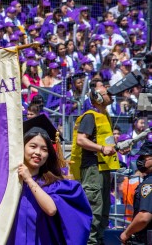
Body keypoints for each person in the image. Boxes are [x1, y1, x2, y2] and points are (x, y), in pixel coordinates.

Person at [7, 114, 92, 244]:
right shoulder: (8, 184)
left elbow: (51, 209)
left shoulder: (55, 185)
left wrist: (29, 180)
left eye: (44, 149)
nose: (38, 153)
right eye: (33, 146)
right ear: (22, 148)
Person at [70, 79, 121, 245]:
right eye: (106, 92)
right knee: (95, 212)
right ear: (97, 98)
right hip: (93, 170)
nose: (110, 94)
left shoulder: (104, 117)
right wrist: (101, 148)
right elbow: (81, 140)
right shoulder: (90, 116)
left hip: (102, 169)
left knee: (103, 214)